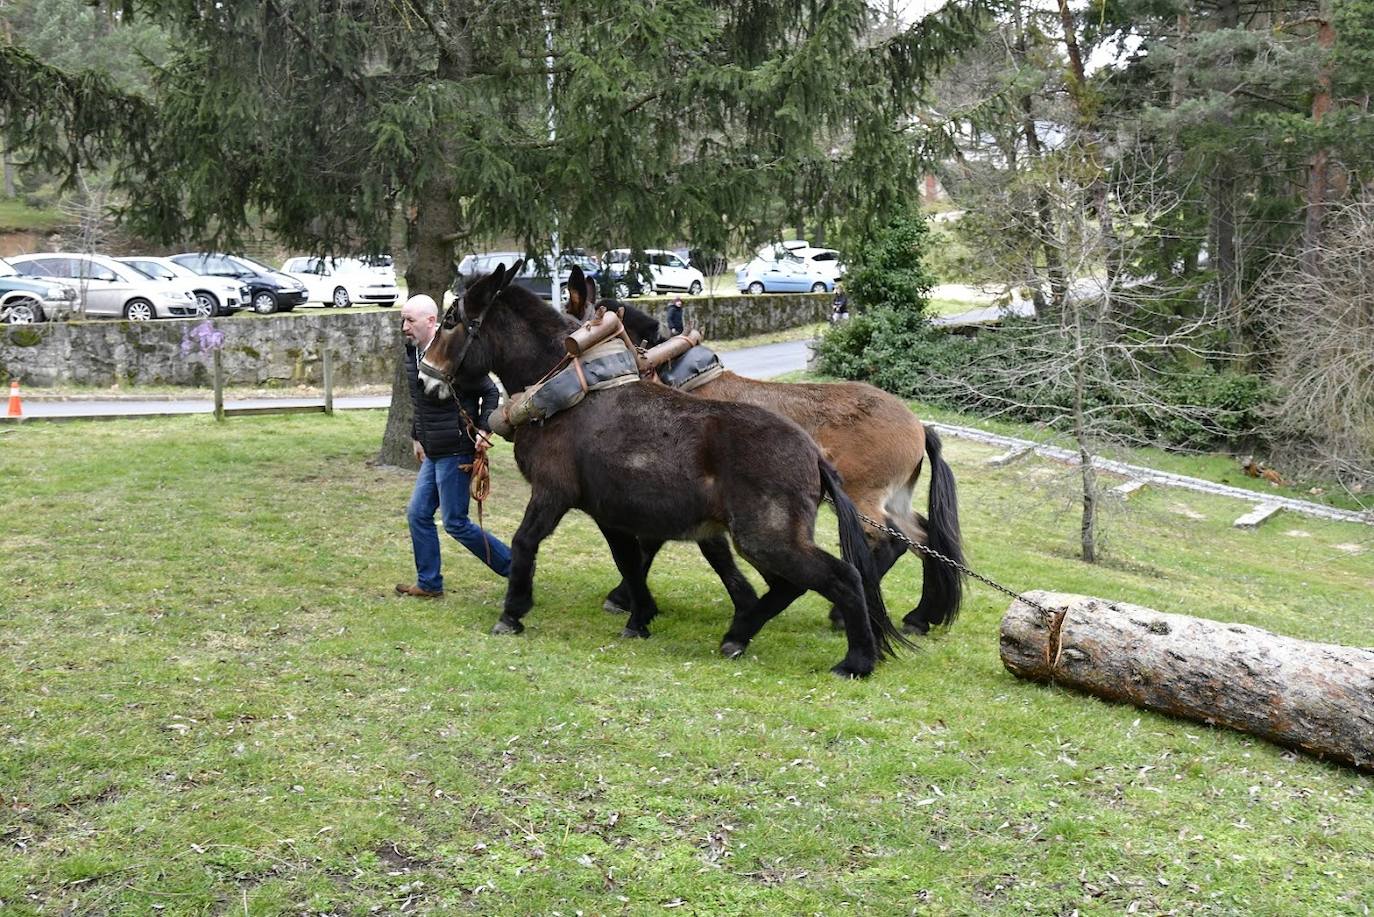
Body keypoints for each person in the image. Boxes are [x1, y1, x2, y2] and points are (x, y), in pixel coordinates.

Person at [395, 293, 512, 598]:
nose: (404, 326)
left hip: (457, 448)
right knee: (418, 514)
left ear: (431, 321)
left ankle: (516, 566)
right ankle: (429, 583)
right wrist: (416, 435)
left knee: (455, 522)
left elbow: (490, 391)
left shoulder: (455, 355)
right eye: (403, 320)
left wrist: (486, 428)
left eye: (410, 320)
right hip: (433, 449)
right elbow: (419, 401)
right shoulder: (412, 353)